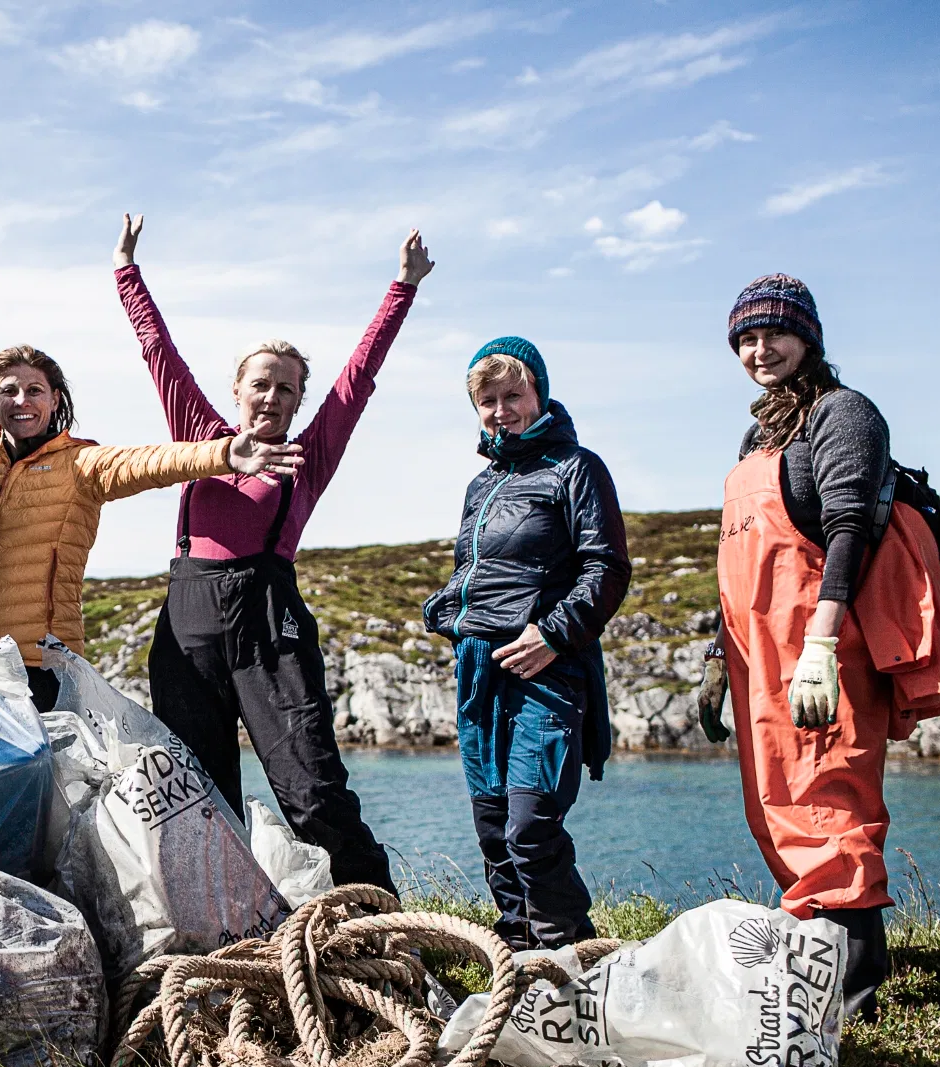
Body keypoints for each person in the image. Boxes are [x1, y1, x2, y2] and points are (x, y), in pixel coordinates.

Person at [113, 215, 430, 892]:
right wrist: (127, 271)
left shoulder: (307, 455)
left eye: (286, 388)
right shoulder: (200, 433)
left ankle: (372, 909)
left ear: (297, 402)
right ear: (237, 389)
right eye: (261, 383)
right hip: (188, 626)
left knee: (311, 789)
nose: (272, 396)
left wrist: (401, 288)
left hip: (268, 626)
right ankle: (221, 928)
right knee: (199, 797)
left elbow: (359, 376)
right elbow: (157, 351)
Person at [703, 275, 940, 1019]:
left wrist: (821, 640)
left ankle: (855, 986)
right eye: (746, 339)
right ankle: (818, 956)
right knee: (778, 807)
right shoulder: (758, 438)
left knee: (832, 804)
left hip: (823, 652)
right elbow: (741, 560)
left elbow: (850, 523)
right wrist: (715, 667)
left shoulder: (842, 413)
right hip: (759, 656)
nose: (760, 350)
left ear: (808, 337)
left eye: (773, 334)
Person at [0, 346, 301, 709]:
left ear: (54, 399)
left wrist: (222, 454)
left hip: (41, 669)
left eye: (35, 390)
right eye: (9, 390)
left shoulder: (80, 464)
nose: (22, 400)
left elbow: (147, 461)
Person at [421, 339, 630, 950]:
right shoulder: (479, 487)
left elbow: (608, 569)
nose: (500, 410)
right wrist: (450, 612)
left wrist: (553, 635)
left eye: (513, 395)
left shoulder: (576, 468)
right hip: (479, 674)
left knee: (530, 825)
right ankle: (516, 946)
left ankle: (565, 953)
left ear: (538, 392)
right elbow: (480, 571)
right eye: (487, 400)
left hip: (549, 669)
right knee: (493, 827)